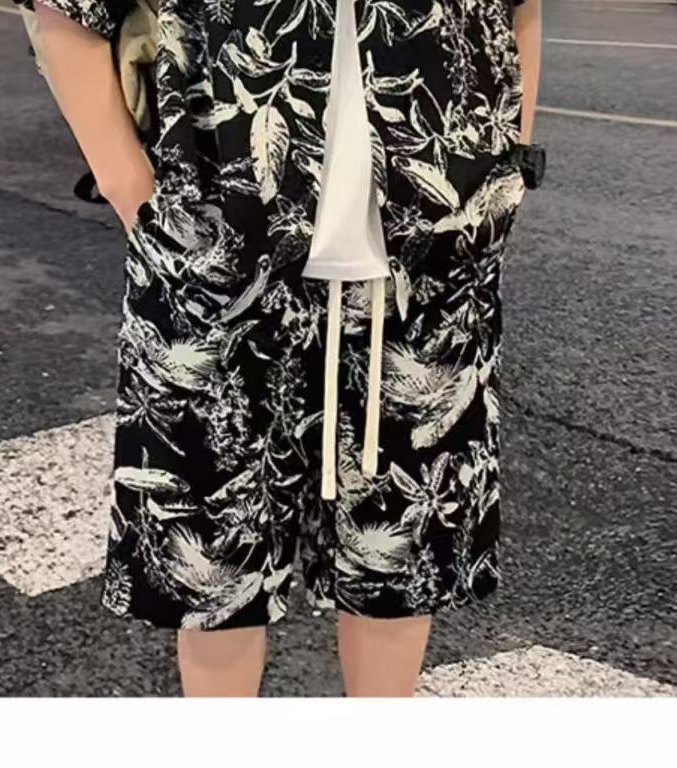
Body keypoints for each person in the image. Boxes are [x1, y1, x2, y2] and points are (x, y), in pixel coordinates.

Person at [33, 0, 542, 697]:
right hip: (217, 253)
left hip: (432, 260)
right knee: (213, 569)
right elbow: (67, 13)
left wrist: (505, 165)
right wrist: (134, 192)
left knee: (398, 559)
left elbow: (519, 9)